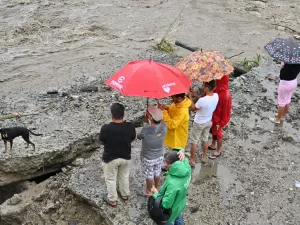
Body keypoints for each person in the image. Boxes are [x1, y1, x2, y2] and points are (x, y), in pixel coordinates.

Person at [99, 103, 136, 207]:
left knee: (110, 179)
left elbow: (101, 141)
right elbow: (133, 138)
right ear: (124, 114)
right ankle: (125, 194)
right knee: (124, 176)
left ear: (112, 115)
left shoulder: (105, 128)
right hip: (126, 157)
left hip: (110, 158)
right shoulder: (130, 126)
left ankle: (112, 200)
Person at [151, 150, 191, 225]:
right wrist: (181, 150)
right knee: (178, 219)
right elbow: (181, 152)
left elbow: (166, 204)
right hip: (180, 204)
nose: (164, 164)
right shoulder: (187, 167)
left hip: (171, 211)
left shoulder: (172, 183)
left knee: (170, 221)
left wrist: (156, 193)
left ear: (173, 165)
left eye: (166, 162)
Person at [137, 105, 167, 196]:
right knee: (157, 172)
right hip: (159, 155)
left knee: (149, 174)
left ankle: (148, 191)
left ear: (150, 117)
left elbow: (139, 136)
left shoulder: (146, 129)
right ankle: (156, 188)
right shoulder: (164, 126)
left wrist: (147, 122)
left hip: (148, 157)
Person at [188, 80, 219, 166]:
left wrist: (190, 97)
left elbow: (194, 108)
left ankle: (192, 160)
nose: (203, 87)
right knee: (205, 139)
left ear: (207, 88)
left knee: (194, 141)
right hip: (208, 121)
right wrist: (196, 95)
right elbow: (205, 103)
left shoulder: (202, 100)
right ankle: (204, 157)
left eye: (204, 86)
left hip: (199, 123)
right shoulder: (216, 96)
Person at [208, 76, 232, 159]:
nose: (216, 80)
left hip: (219, 118)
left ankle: (218, 150)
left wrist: (222, 122)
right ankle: (213, 144)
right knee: (213, 130)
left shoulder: (225, 95)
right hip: (215, 115)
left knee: (218, 133)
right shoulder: (218, 89)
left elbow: (226, 111)